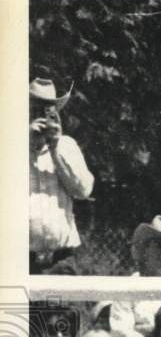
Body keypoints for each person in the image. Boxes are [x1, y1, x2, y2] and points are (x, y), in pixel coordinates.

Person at [29, 77, 94, 274]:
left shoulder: (66, 145)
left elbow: (83, 190)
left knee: (63, 306)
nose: (42, 115)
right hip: (19, 259)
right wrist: (27, 142)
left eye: (48, 110)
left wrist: (55, 149)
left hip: (61, 259)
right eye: (35, 109)